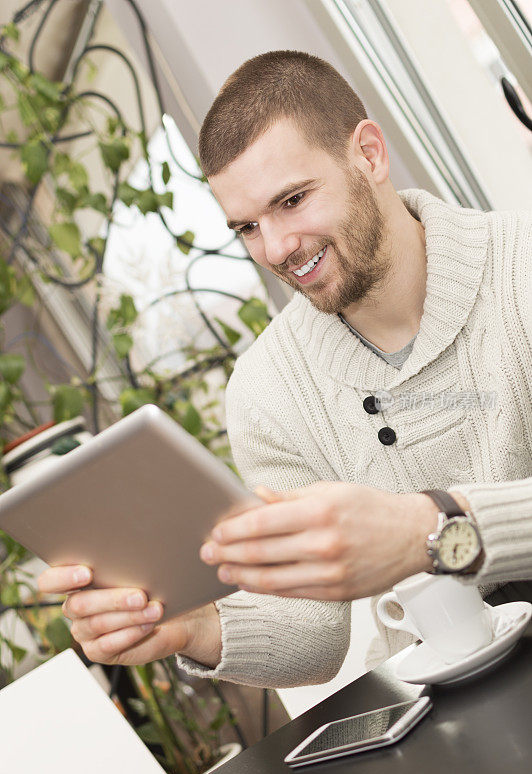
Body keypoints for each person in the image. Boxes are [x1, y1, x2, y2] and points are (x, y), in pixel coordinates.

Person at [38, 51, 532, 687]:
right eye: (247, 227)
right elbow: (314, 634)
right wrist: (194, 628)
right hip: (445, 709)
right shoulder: (268, 391)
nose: (275, 249)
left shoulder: (521, 268)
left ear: (370, 155)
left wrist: (429, 531)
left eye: (293, 200)